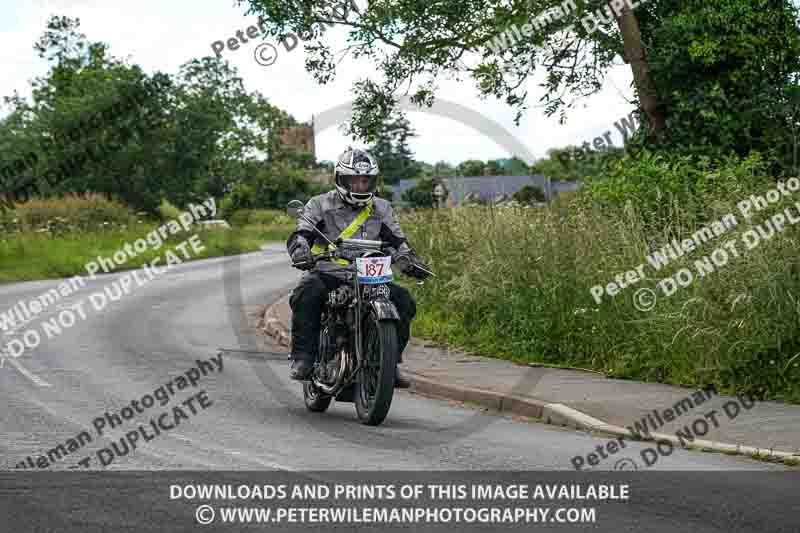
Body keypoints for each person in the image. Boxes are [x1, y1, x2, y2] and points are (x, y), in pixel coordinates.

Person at [286, 147, 430, 387]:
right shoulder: (319, 204)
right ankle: (304, 357)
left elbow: (398, 241)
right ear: (341, 179)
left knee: (404, 301)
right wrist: (301, 251)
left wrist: (410, 261)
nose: (360, 186)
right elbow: (302, 233)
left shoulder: (382, 208)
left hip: (370, 277)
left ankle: (389, 363)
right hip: (329, 273)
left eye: (366, 181)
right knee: (306, 293)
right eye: (354, 180)